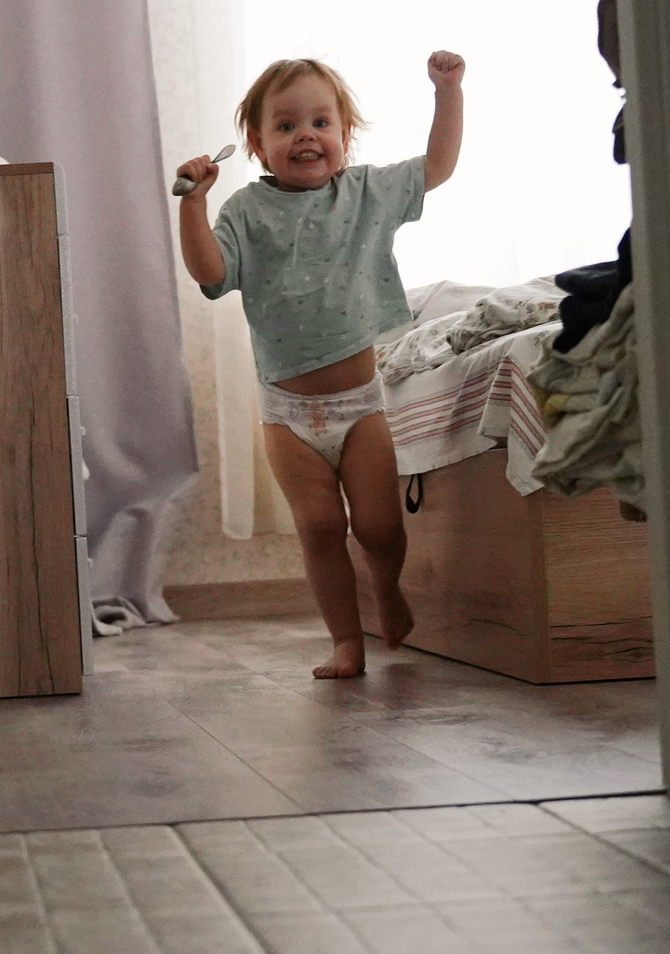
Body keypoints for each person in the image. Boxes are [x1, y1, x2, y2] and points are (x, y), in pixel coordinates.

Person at [176, 53, 466, 677]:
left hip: (361, 406)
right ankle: (346, 641)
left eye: (320, 123)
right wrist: (193, 206)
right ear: (256, 144)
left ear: (343, 135)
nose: (305, 135)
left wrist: (447, 93)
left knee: (381, 528)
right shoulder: (245, 214)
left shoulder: (365, 193)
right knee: (319, 527)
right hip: (287, 414)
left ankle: (387, 591)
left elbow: (438, 166)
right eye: (284, 127)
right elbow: (211, 273)